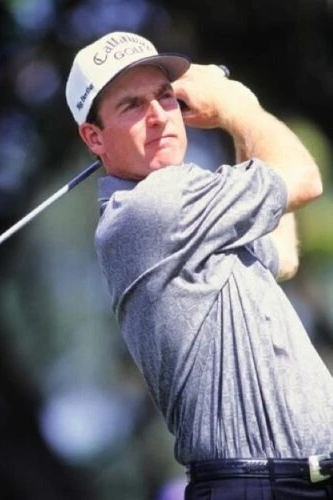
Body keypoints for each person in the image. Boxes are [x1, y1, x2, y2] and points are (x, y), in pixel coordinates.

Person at [65, 31, 333, 499]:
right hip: (256, 486)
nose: (158, 116)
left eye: (165, 96)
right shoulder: (154, 206)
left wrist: (239, 123)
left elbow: (282, 254)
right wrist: (235, 105)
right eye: (132, 106)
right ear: (94, 137)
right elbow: (304, 179)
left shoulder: (198, 219)